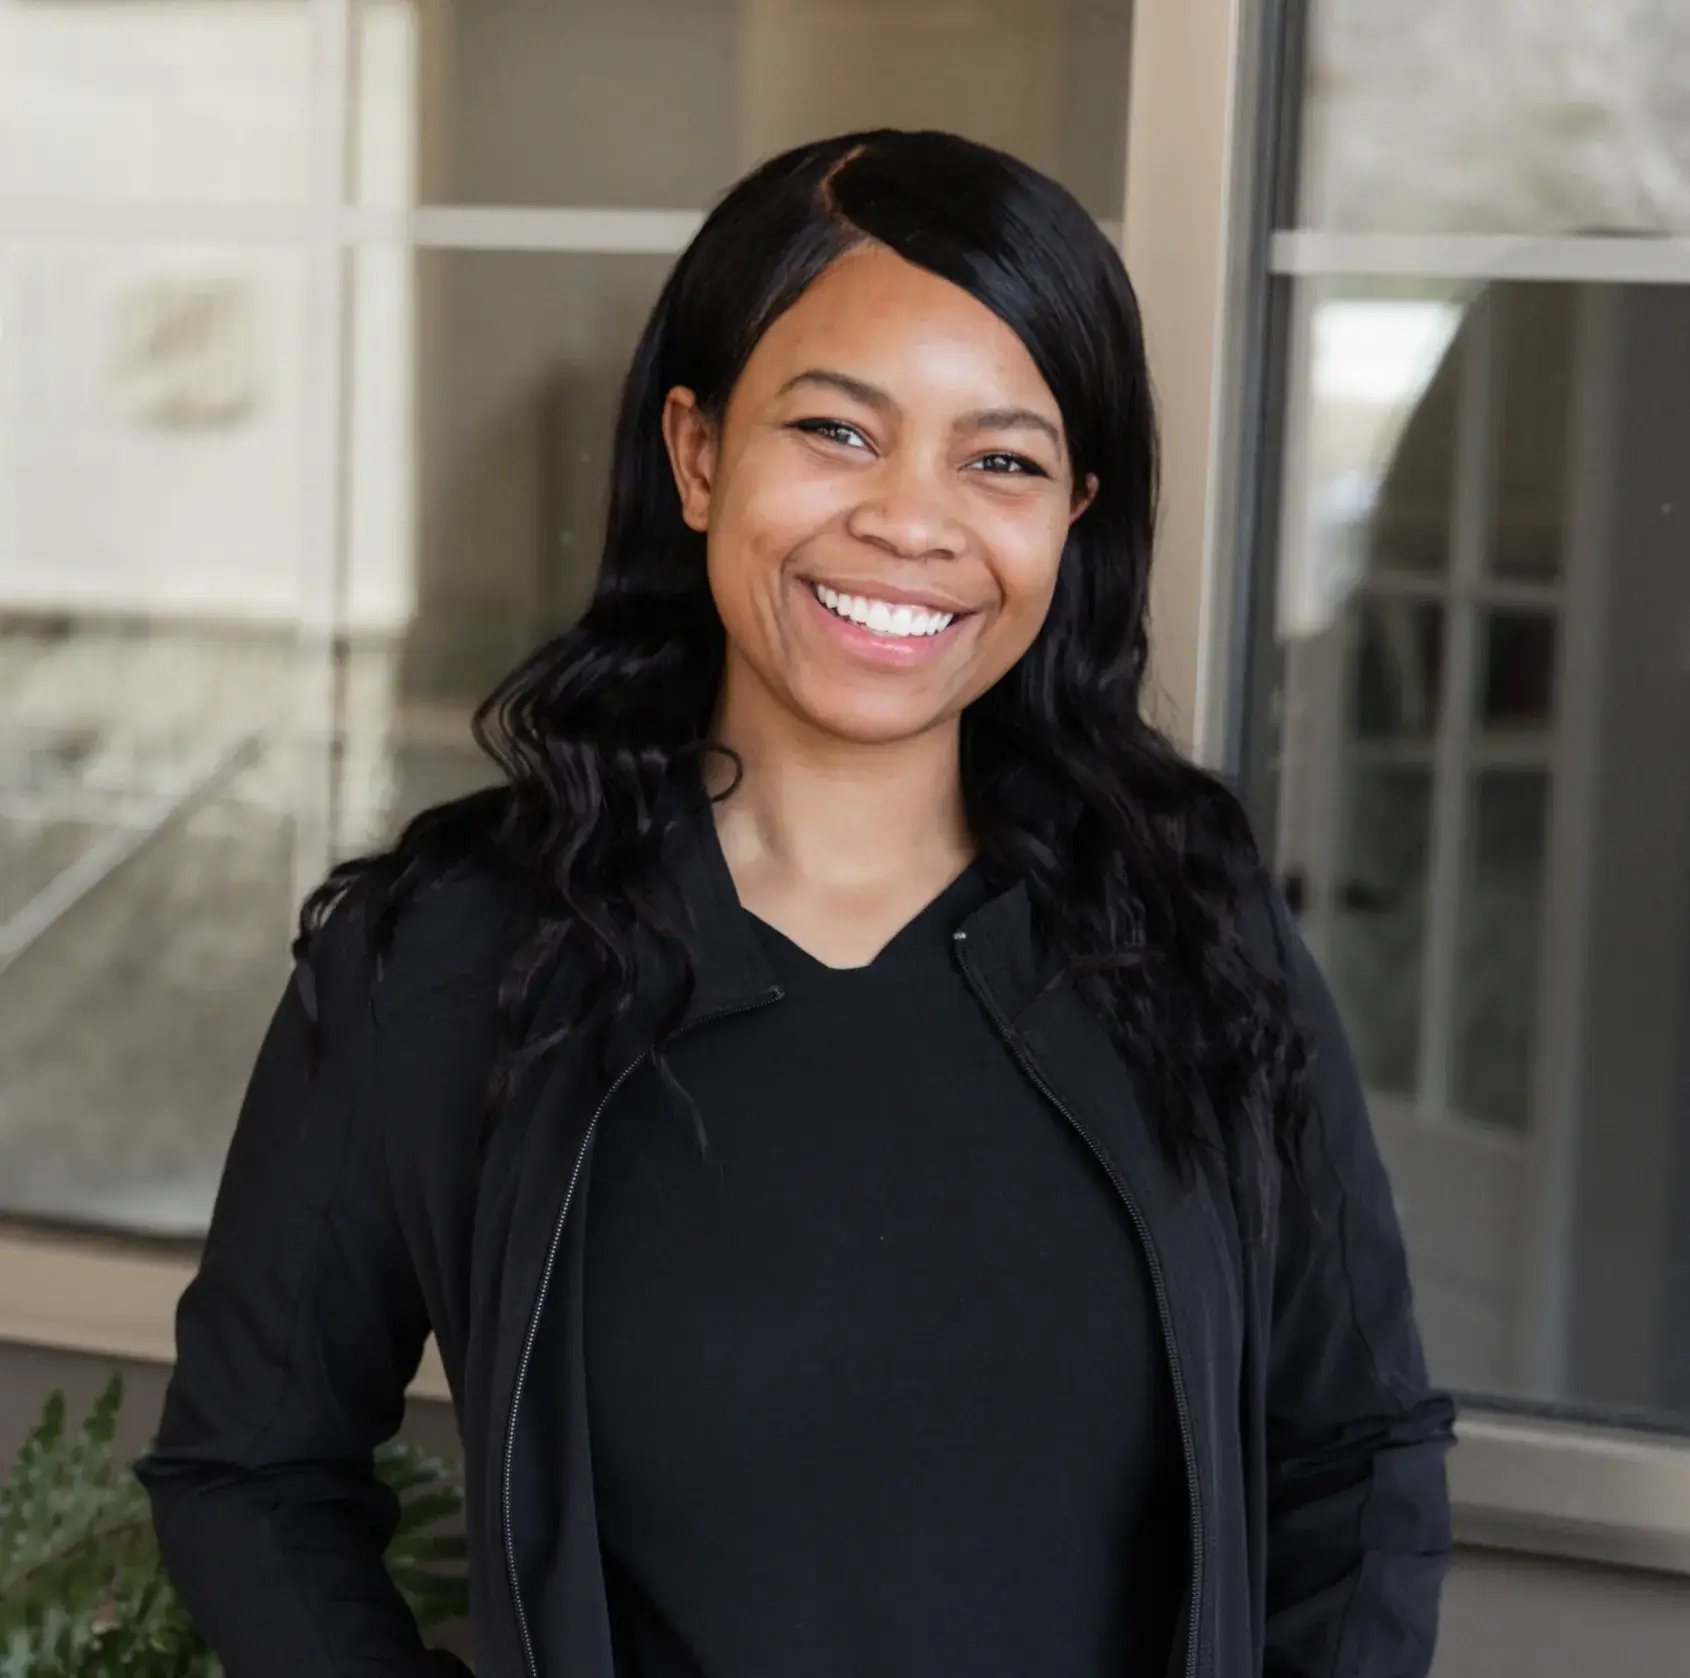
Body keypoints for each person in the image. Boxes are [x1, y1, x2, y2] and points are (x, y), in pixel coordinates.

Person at [139, 130, 1455, 1678]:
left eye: (1002, 459)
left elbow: (1355, 1451)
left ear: (1072, 516)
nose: (912, 521)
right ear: (696, 455)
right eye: (837, 431)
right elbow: (253, 1468)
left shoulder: (1188, 926)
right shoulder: (448, 951)